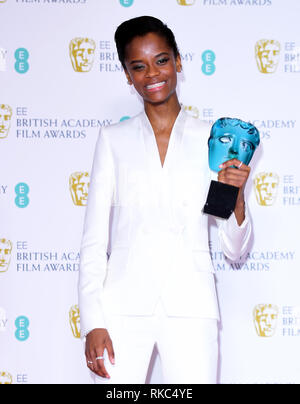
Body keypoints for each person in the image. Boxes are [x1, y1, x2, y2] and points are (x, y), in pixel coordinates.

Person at [78, 16, 252, 384]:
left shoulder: (215, 139)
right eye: (138, 66)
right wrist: (92, 322)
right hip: (121, 308)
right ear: (127, 75)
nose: (152, 74)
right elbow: (94, 241)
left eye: (161, 60)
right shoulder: (113, 140)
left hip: (191, 305)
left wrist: (236, 198)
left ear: (178, 61)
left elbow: (234, 250)